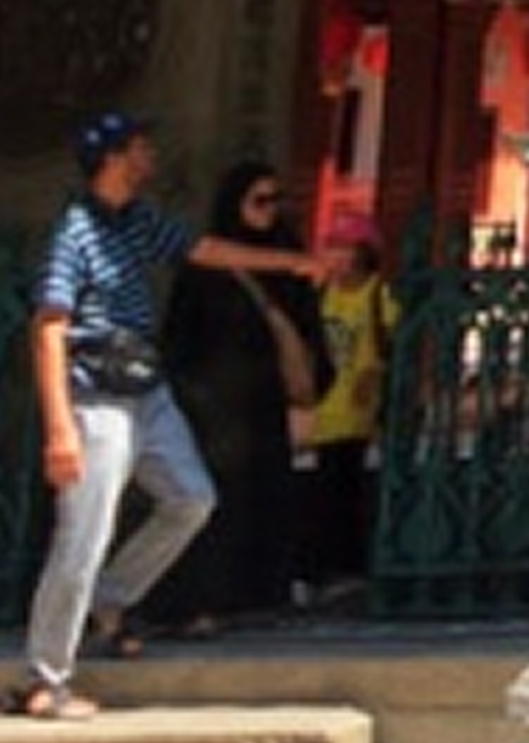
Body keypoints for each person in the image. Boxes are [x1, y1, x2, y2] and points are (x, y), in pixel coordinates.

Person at [7, 112, 215, 721]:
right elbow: (49, 328)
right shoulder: (75, 233)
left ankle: (108, 597)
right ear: (115, 158)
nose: (151, 156)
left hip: (145, 389)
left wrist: (292, 263)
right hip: (95, 396)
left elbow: (201, 250)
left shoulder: (138, 221)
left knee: (191, 498)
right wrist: (60, 429)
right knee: (83, 534)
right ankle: (43, 678)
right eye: (140, 148)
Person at [153, 163, 333, 628]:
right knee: (210, 504)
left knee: (262, 500)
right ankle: (203, 602)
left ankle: (258, 598)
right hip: (213, 408)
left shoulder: (288, 259)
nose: (270, 210)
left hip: (263, 406)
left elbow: (308, 331)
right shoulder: (206, 265)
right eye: (259, 200)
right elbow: (180, 335)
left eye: (276, 200)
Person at [292, 211, 391, 614]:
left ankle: (346, 570)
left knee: (346, 495)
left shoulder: (377, 295)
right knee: (318, 499)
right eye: (330, 247)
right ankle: (318, 572)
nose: (335, 256)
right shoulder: (321, 294)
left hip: (356, 414)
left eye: (344, 248)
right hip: (319, 412)